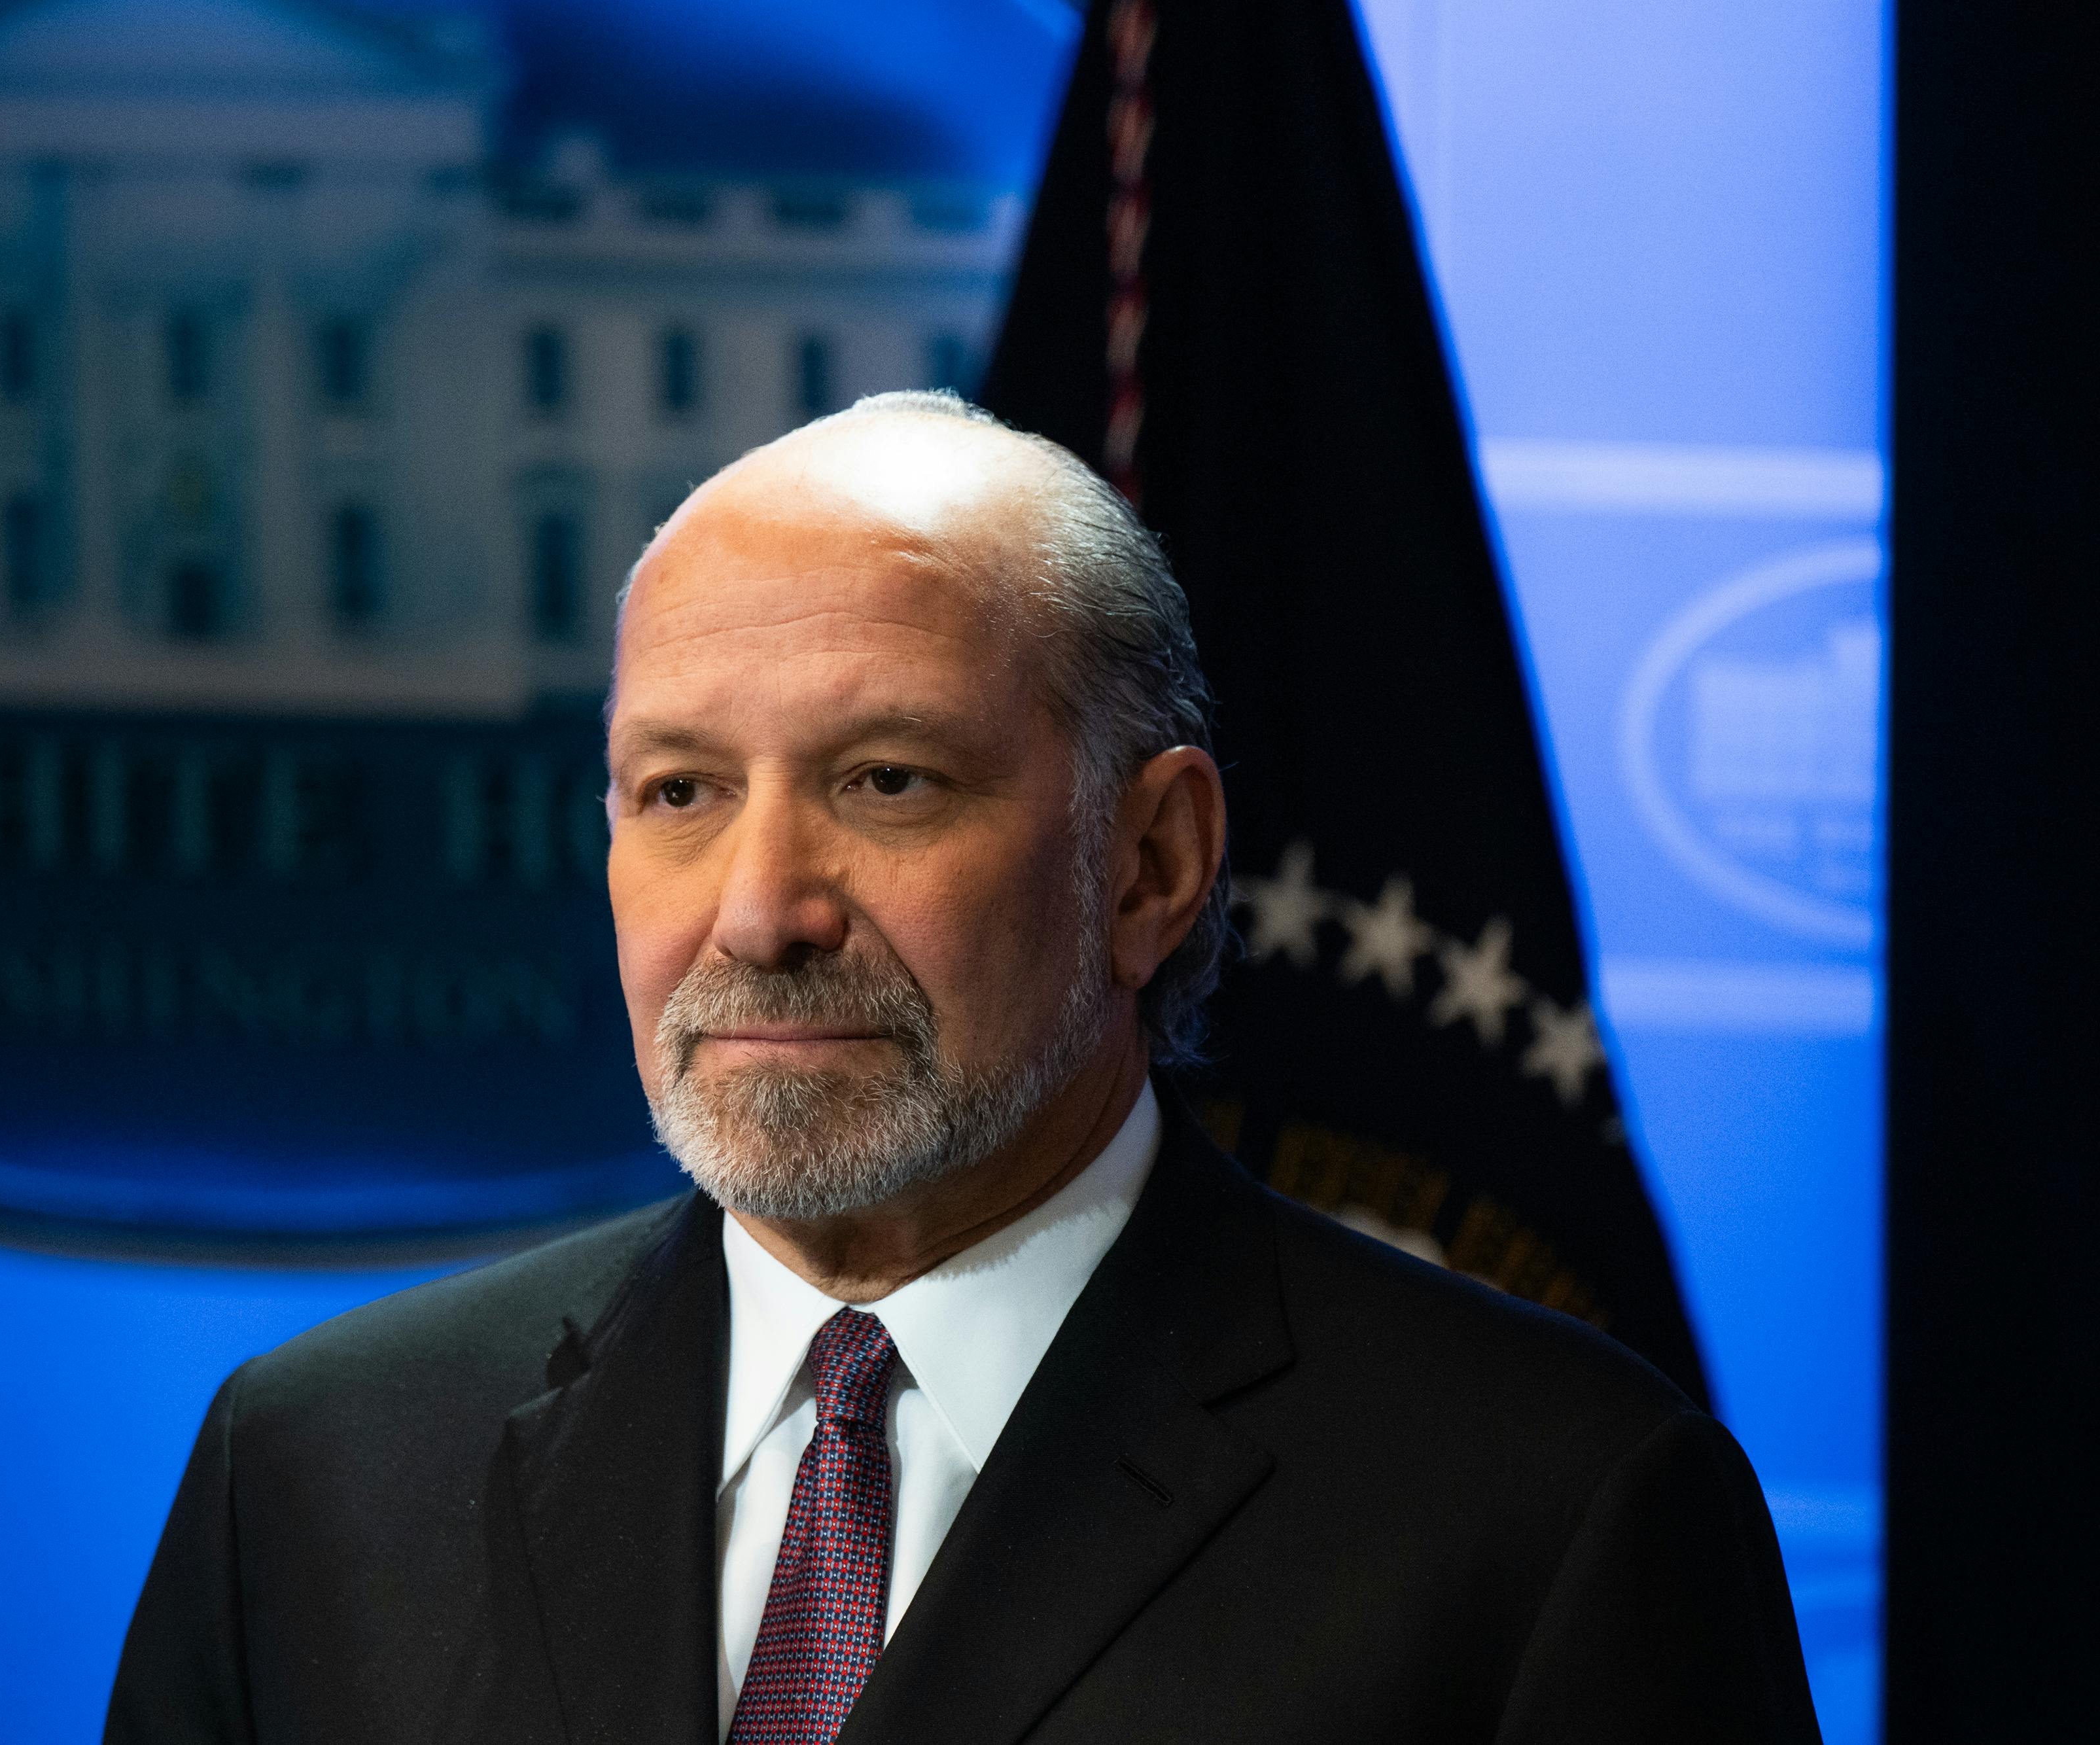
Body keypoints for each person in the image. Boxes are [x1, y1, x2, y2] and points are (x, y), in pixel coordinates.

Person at [104, 394, 1820, 1744]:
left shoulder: (1552, 1513)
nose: (762, 909)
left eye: (891, 781)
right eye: (681, 790)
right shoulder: (318, 1470)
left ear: (1148, 863)